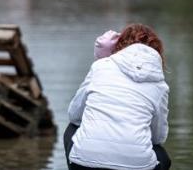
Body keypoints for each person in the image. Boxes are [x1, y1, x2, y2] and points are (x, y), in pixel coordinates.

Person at [64, 24, 171, 170]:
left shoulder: (100, 67)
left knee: (71, 129)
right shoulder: (160, 85)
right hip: (136, 167)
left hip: (84, 163)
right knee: (162, 157)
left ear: (120, 45)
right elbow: (158, 137)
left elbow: (74, 115)